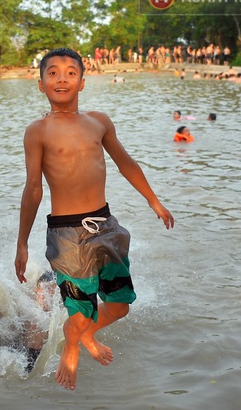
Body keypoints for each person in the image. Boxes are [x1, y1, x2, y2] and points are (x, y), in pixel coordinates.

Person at [14, 48, 174, 391]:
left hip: (105, 226)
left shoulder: (99, 121)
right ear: (40, 84)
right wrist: (22, 243)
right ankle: (71, 345)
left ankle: (86, 335)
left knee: (119, 306)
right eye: (52, 73)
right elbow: (33, 189)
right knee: (79, 311)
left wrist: (154, 201)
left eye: (70, 72)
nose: (62, 78)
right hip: (67, 233)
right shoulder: (37, 130)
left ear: (82, 82)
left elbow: (126, 163)